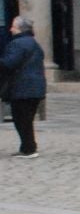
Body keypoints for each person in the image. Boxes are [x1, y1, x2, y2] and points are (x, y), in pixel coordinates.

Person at [0, 16, 46, 158]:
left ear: (20, 29)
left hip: (22, 87)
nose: (11, 29)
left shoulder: (18, 44)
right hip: (36, 86)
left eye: (13, 26)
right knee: (26, 119)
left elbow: (9, 63)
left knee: (21, 119)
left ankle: (28, 148)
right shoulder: (33, 43)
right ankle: (28, 146)